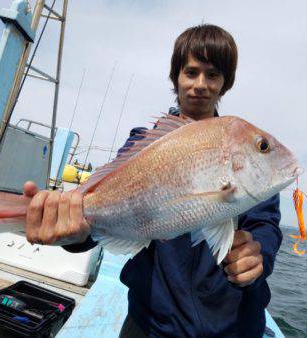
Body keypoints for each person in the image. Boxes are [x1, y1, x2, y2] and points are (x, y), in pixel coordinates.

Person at [24, 24, 282, 338]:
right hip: (151, 325)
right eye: (191, 72)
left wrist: (258, 256)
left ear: (224, 83)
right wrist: (72, 232)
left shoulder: (240, 148)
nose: (200, 84)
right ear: (176, 77)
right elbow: (95, 225)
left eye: (212, 75)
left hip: (233, 327)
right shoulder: (142, 144)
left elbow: (265, 225)